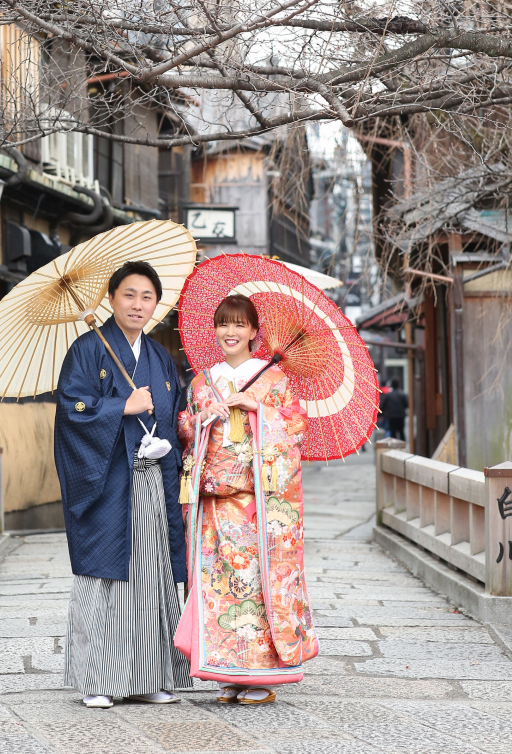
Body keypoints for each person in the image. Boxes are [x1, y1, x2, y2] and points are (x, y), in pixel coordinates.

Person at [55, 260, 191, 708]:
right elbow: (71, 408)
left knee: (151, 572)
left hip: (153, 481)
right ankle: (98, 679)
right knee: (105, 576)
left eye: (147, 296)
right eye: (129, 294)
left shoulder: (160, 358)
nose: (137, 304)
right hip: (107, 479)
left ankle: (150, 674)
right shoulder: (87, 350)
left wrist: (185, 432)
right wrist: (121, 407)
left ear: (156, 304)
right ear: (110, 299)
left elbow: (172, 419)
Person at [175, 293, 318, 705]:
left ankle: (262, 676)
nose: (230, 331)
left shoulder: (272, 380)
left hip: (256, 505)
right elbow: (185, 429)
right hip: (214, 503)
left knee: (255, 587)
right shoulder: (203, 382)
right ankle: (228, 672)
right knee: (219, 586)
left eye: (240, 324)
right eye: (224, 324)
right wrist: (201, 420)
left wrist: (257, 408)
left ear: (255, 332)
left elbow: (294, 428)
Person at [380, 377, 408, 442]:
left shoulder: (388, 395)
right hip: (401, 416)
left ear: (391, 385)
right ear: (399, 384)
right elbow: (406, 405)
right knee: (401, 432)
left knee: (393, 433)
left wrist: (380, 415)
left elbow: (383, 406)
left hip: (391, 416)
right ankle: (403, 446)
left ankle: (394, 448)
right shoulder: (402, 394)